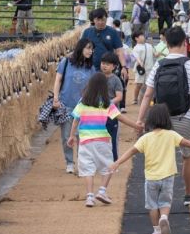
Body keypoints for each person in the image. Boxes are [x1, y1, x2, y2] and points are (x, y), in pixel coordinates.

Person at [110, 104, 190, 234]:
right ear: (167, 119)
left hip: (151, 177)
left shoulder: (145, 138)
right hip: (167, 177)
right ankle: (165, 217)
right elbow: (189, 143)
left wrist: (117, 162)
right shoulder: (171, 135)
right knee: (165, 202)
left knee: (152, 205)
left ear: (149, 120)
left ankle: (156, 230)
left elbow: (131, 151)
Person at [137, 26, 190, 206]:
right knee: (187, 155)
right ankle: (189, 194)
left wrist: (140, 119)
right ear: (185, 43)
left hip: (160, 118)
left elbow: (147, 94)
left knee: (158, 156)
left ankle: (156, 195)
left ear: (166, 44)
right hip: (185, 117)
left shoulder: (158, 65)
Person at [67, 73, 140, 207]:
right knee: (108, 165)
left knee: (88, 168)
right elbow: (120, 118)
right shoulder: (107, 103)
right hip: (102, 139)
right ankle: (102, 191)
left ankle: (89, 197)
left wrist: (71, 136)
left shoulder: (83, 101)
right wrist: (136, 125)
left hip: (85, 140)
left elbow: (76, 120)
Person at [53, 38, 97, 174]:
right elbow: (58, 80)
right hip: (66, 104)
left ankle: (81, 162)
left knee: (81, 136)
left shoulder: (91, 67)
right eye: (88, 48)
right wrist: (56, 98)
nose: (91, 51)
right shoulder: (66, 62)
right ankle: (69, 163)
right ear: (81, 47)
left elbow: (93, 86)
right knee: (67, 136)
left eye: (92, 49)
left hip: (83, 107)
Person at [81, 8, 128, 81]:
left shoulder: (112, 32)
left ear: (107, 19)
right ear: (93, 20)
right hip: (90, 68)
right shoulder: (87, 32)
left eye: (103, 20)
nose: (100, 22)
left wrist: (124, 67)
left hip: (107, 69)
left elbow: (119, 50)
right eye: (98, 20)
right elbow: (81, 49)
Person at [100, 53, 124, 161]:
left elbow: (119, 97)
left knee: (112, 138)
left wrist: (108, 103)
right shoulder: (97, 78)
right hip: (99, 113)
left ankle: (114, 161)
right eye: (103, 63)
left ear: (114, 67)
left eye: (108, 64)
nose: (104, 66)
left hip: (112, 113)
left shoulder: (116, 80)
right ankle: (101, 160)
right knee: (100, 138)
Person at [131, 31, 154, 105]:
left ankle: (148, 99)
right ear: (136, 38)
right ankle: (135, 98)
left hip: (149, 68)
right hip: (140, 69)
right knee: (139, 84)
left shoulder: (149, 46)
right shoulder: (135, 48)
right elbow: (137, 58)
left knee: (148, 85)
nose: (143, 37)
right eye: (141, 36)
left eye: (143, 35)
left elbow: (155, 54)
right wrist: (140, 63)